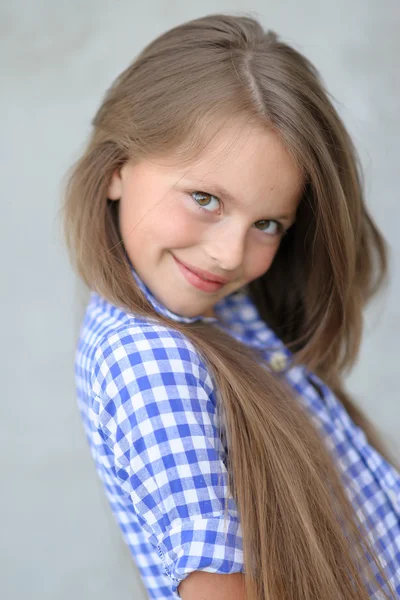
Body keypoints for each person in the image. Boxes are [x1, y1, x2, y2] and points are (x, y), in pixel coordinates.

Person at [62, 13, 400, 600]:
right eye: (205, 198)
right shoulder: (150, 360)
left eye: (268, 223)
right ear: (118, 167)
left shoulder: (220, 311)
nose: (227, 255)